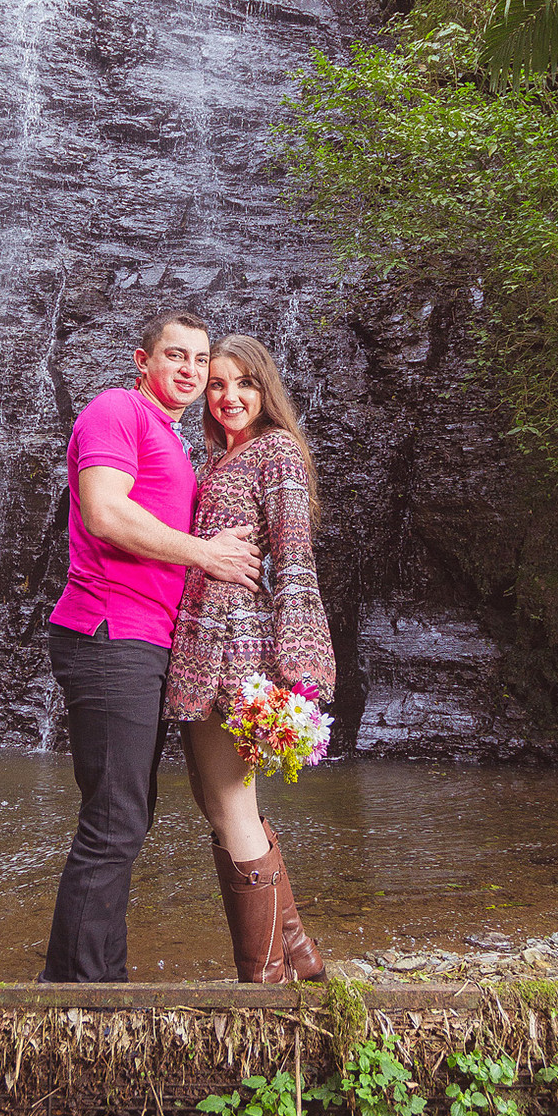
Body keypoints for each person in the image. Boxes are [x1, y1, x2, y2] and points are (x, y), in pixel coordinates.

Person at [41, 311, 262, 983]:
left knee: (125, 815)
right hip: (110, 632)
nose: (192, 369)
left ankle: (96, 978)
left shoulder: (173, 438)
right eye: (177, 354)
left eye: (200, 358)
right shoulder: (117, 410)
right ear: (144, 360)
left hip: (145, 641)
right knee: (115, 817)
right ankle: (76, 989)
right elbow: (105, 512)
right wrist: (206, 552)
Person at [165, 334, 336, 983]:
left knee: (232, 802)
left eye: (242, 382)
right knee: (220, 802)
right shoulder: (211, 462)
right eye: (216, 384)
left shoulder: (277, 451)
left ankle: (263, 979)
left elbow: (294, 560)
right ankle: (295, 954)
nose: (228, 395)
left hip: (241, 650)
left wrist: (299, 661)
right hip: (199, 648)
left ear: (264, 389)